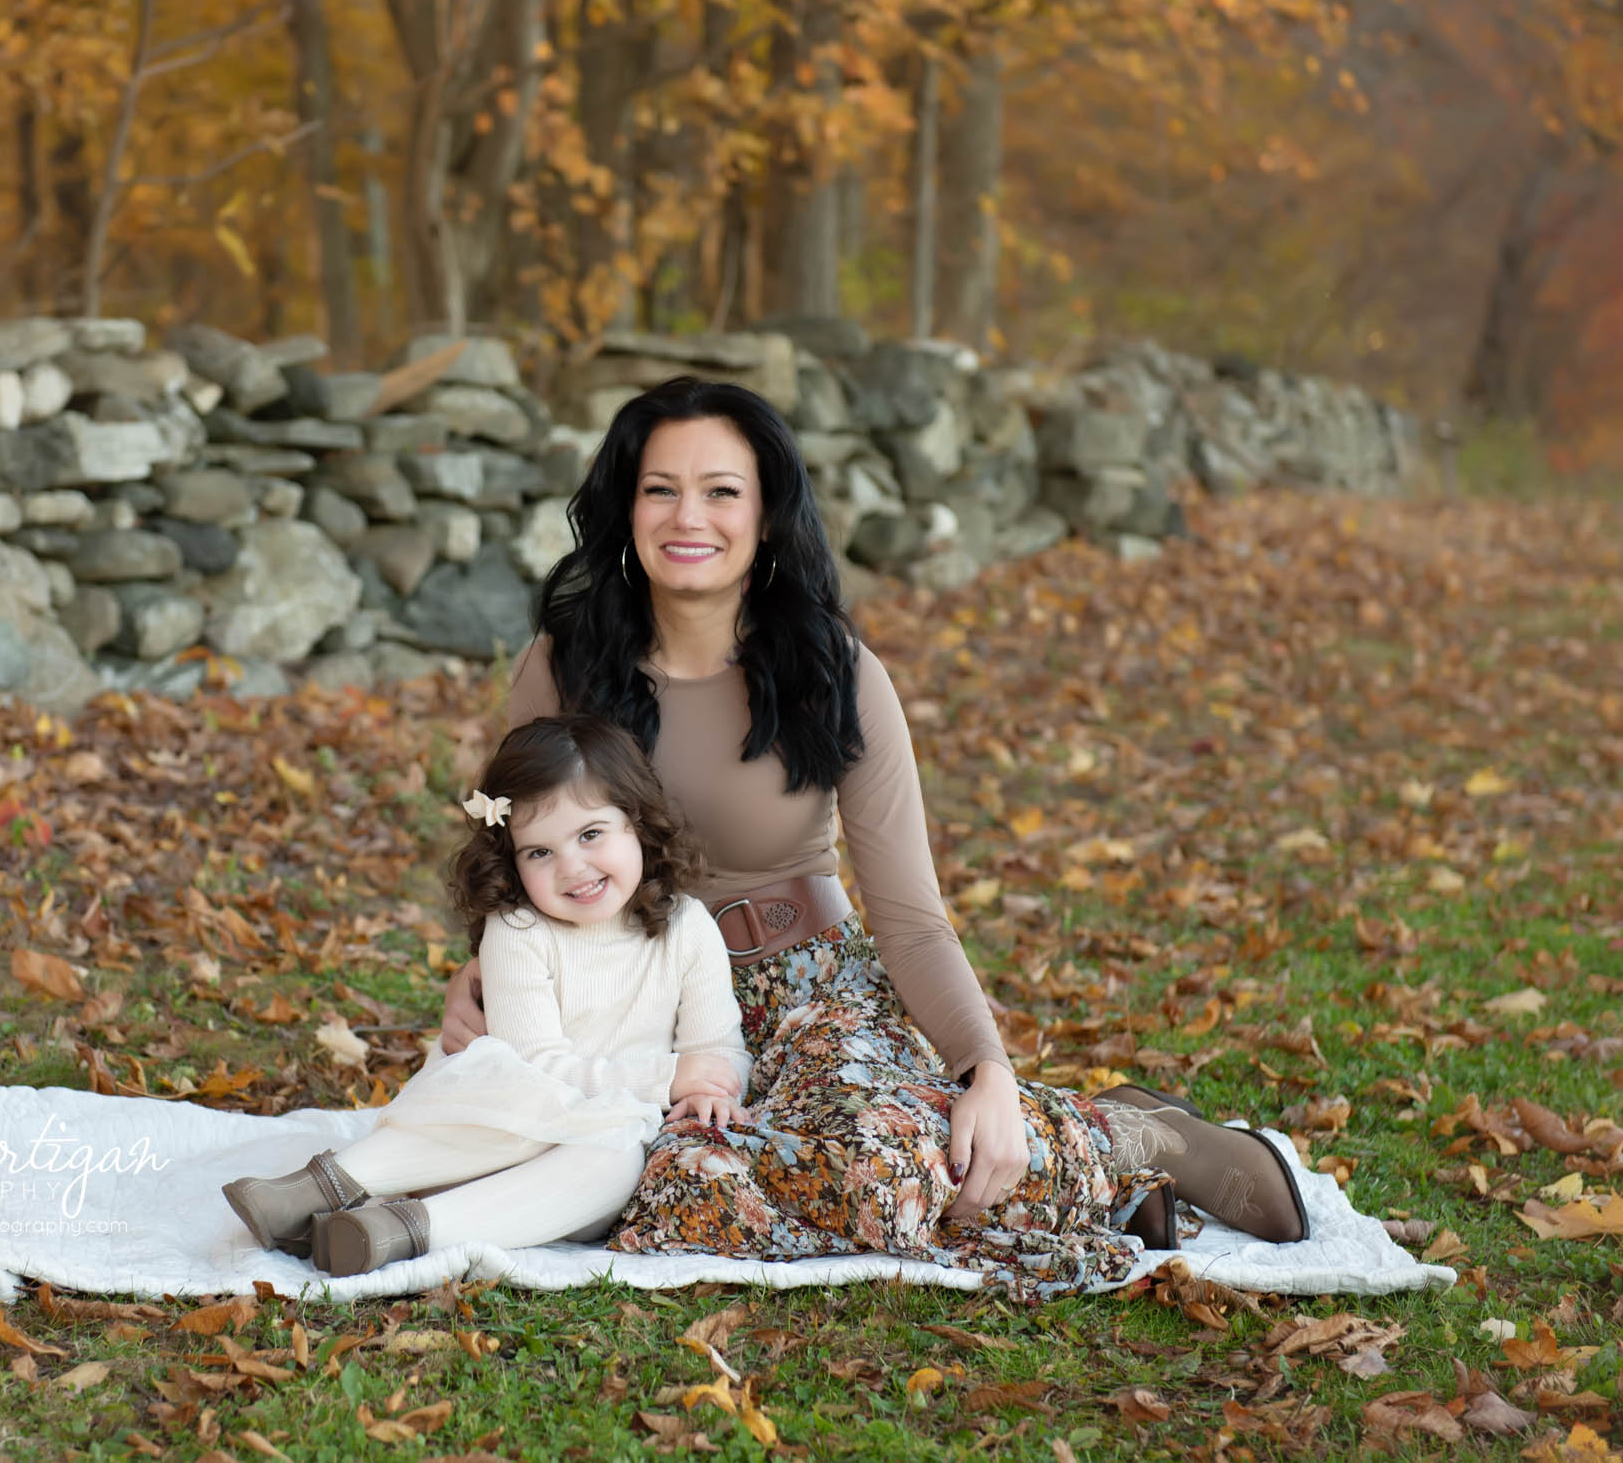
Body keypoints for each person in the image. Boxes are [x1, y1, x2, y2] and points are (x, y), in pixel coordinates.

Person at [438, 376, 1307, 1301]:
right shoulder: (561, 664)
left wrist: (990, 1070)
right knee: (659, 1189)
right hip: (629, 1008)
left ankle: (1134, 1137)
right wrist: (483, 972)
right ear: (627, 505)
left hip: (807, 986)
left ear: (768, 514)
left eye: (722, 490)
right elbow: (517, 853)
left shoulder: (834, 672)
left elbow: (910, 915)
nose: (688, 515)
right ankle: (1079, 1185)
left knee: (872, 1160)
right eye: (661, 488)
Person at [224, 714, 751, 1276]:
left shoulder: (687, 928)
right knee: (517, 1096)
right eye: (538, 853)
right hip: (484, 1139)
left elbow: (718, 1046)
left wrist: (713, 1089)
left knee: (617, 1161)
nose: (572, 867)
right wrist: (667, 1079)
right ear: (512, 860)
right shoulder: (518, 930)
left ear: (639, 825)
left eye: (590, 834)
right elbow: (537, 1067)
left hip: (566, 1177)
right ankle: (321, 1187)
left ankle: (398, 1232)